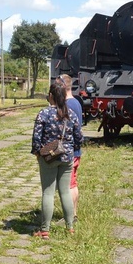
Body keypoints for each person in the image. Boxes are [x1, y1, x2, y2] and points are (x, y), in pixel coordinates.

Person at [31, 81, 83, 239]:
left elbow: (36, 137)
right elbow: (79, 137)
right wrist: (71, 150)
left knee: (48, 192)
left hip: (49, 157)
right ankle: (70, 227)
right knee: (65, 191)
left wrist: (38, 153)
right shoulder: (71, 114)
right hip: (67, 156)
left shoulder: (44, 113)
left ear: (51, 96)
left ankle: (45, 230)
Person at [61, 74, 82, 221]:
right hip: (75, 149)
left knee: (68, 184)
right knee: (72, 182)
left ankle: (71, 215)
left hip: (69, 150)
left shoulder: (68, 105)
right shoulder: (76, 102)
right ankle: (73, 213)